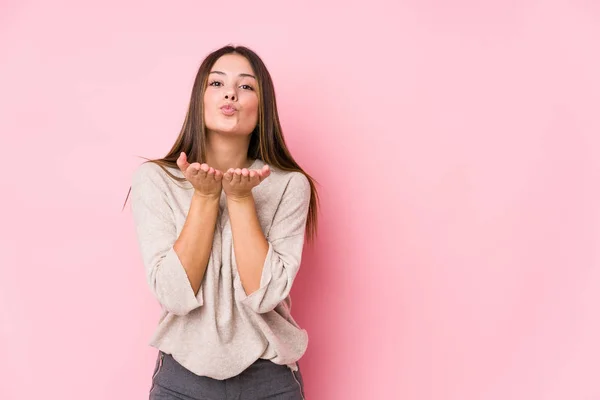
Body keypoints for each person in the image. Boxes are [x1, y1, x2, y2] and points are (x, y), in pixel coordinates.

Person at [126, 44, 319, 399]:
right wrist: (205, 196)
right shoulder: (156, 180)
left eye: (246, 86)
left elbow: (266, 295)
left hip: (269, 380)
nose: (230, 92)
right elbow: (173, 295)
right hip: (182, 379)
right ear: (198, 100)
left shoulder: (290, 185)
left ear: (263, 109)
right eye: (216, 83)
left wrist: (242, 199)